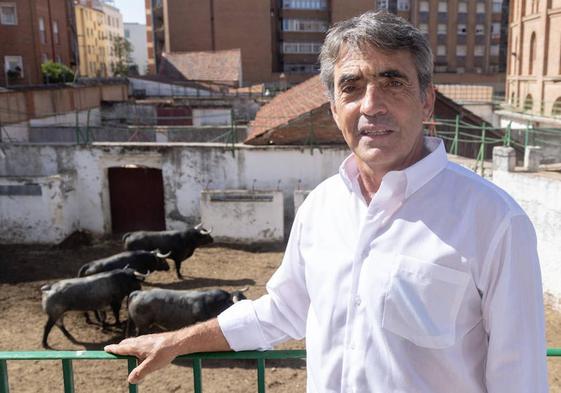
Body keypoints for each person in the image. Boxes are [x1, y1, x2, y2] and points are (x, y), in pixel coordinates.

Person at [105, 11, 548, 392]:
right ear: (334, 108)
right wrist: (175, 342)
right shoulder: (322, 207)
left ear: (426, 100)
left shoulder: (494, 220)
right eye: (351, 87)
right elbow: (282, 310)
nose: (371, 105)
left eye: (393, 82)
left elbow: (519, 376)